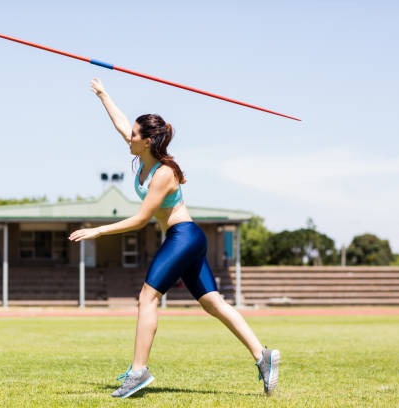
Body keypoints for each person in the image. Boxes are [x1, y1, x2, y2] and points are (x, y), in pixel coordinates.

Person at [68, 78, 280, 398]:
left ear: (148, 141)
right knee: (213, 303)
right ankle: (262, 356)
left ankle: (138, 371)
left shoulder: (164, 173)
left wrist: (97, 230)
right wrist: (102, 94)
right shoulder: (143, 155)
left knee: (147, 297)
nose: (129, 138)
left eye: (135, 136)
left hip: (184, 236)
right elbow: (122, 123)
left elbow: (141, 220)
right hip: (185, 237)